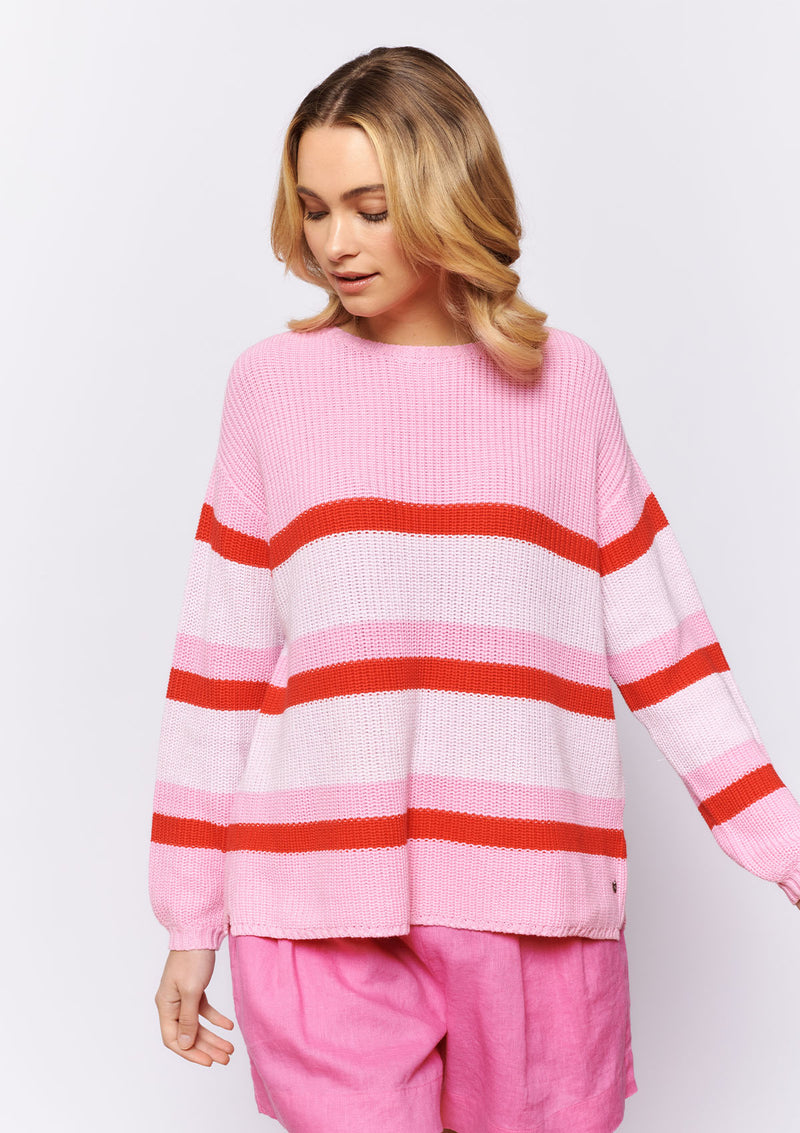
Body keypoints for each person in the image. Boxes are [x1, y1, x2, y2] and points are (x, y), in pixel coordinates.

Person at [150, 45, 800, 1133]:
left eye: (371, 208)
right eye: (314, 208)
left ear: (449, 195)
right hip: (314, 904)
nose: (335, 242)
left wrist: (783, 845)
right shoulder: (270, 389)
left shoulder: (566, 383)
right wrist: (187, 919)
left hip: (532, 901)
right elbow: (217, 666)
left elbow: (664, 646)